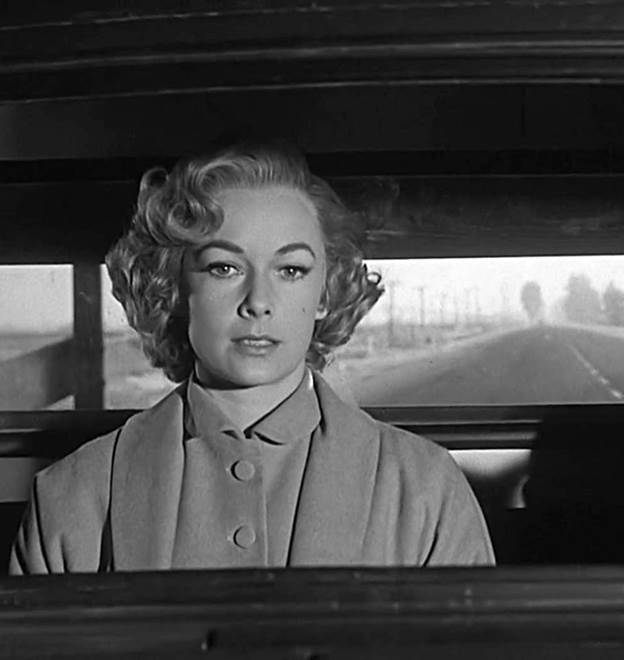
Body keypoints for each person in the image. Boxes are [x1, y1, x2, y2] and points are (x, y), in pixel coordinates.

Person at [9, 144, 495, 573]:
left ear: (325, 292)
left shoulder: (427, 490)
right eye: (224, 267)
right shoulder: (72, 495)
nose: (258, 301)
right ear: (175, 287)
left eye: (291, 270)